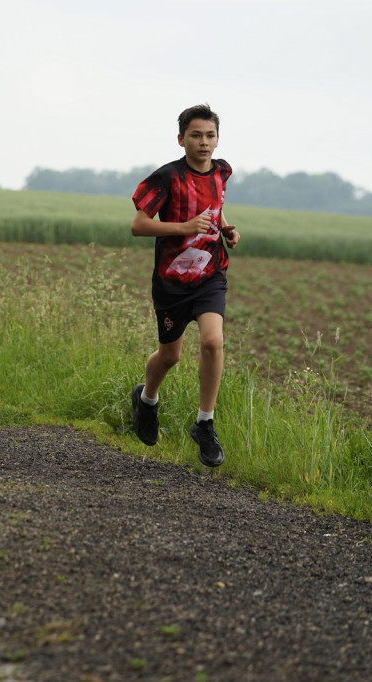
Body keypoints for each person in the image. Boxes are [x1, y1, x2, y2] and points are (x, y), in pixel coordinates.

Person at [129, 103, 241, 468]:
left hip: (211, 274)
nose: (204, 142)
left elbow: (215, 207)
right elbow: (138, 225)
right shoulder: (167, 177)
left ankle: (204, 423)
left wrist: (226, 229)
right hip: (172, 281)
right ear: (181, 139)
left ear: (218, 139)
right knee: (170, 356)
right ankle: (146, 399)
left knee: (212, 341)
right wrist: (184, 227)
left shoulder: (222, 172)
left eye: (210, 135)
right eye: (196, 135)